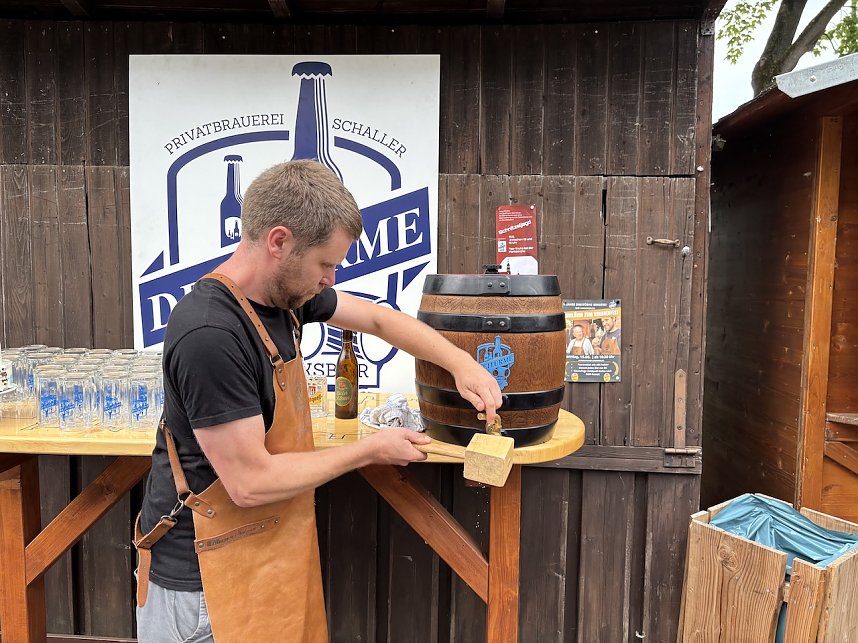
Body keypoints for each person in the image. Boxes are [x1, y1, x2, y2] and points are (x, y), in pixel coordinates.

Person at [134, 160, 502, 643]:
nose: (331, 278)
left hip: (270, 548)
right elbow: (249, 482)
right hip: (203, 581)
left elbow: (377, 320)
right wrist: (371, 449)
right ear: (279, 242)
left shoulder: (284, 296)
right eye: (326, 264)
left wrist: (461, 363)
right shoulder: (211, 333)